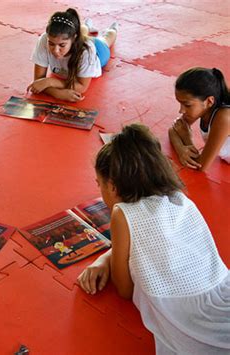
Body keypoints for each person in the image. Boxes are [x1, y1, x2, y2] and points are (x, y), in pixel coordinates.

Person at [77, 123, 229, 354]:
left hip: (191, 316)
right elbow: (149, 242)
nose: (100, 191)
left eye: (100, 185)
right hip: (221, 292)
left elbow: (124, 290)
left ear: (114, 187)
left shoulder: (122, 213)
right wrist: (104, 259)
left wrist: (109, 259)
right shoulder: (178, 198)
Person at [27, 8, 118, 102]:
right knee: (80, 32)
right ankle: (86, 25)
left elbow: (82, 86)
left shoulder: (86, 51)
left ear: (74, 39)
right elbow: (38, 82)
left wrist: (50, 81)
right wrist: (58, 93)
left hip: (98, 52)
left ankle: (113, 29)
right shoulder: (45, 39)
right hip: (77, 41)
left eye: (62, 45)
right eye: (51, 44)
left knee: (106, 38)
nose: (56, 50)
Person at [169, 67, 230, 171]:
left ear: (209, 101)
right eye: (180, 103)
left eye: (187, 105)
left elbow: (201, 165)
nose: (181, 110)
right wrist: (180, 148)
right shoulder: (202, 109)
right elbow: (174, 129)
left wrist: (187, 140)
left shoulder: (224, 117)